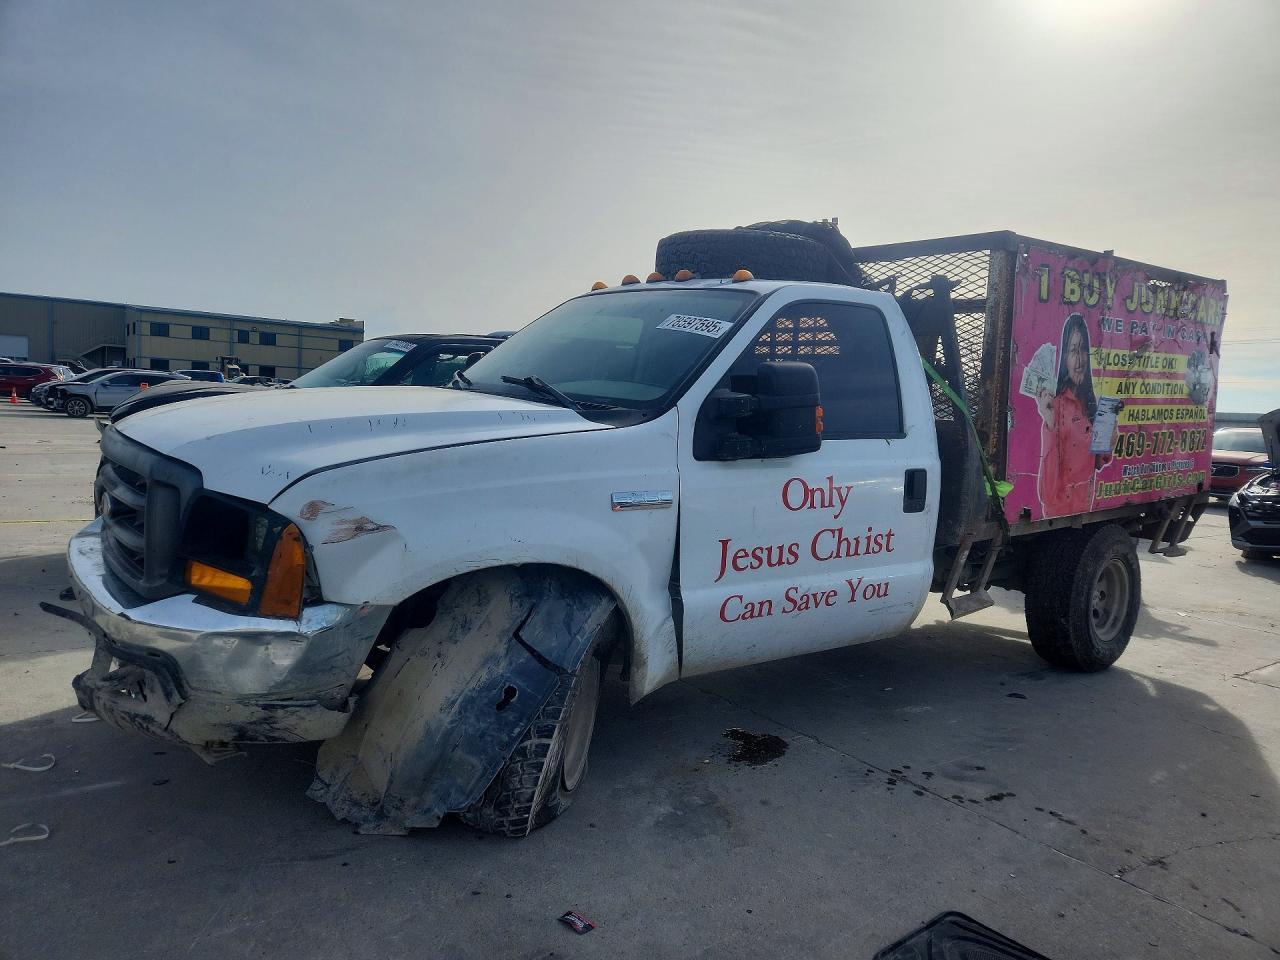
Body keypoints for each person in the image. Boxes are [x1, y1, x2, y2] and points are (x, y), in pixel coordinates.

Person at [1036, 313, 1102, 516]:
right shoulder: (1055, 405)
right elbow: (1046, 492)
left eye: (1083, 349)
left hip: (1084, 510)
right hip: (1057, 516)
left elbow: (1099, 461)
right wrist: (1049, 422)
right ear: (1064, 357)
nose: (1080, 359)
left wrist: (1109, 433)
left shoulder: (1091, 403)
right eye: (1073, 350)